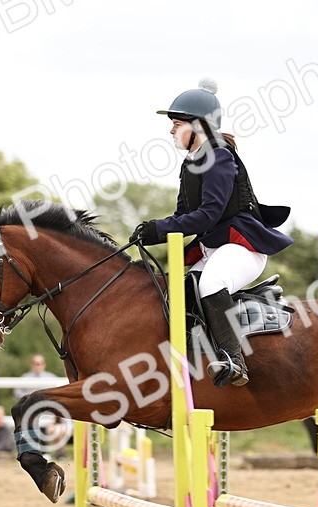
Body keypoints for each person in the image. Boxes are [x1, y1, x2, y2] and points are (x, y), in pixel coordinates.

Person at [133, 78, 293, 387]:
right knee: (180, 292)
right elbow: (183, 216)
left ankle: (234, 361)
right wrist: (152, 230)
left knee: (212, 283)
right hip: (215, 249)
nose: (170, 131)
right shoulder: (190, 163)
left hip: (240, 248)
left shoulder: (219, 156)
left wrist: (160, 229)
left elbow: (208, 214)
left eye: (176, 124)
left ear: (198, 126)